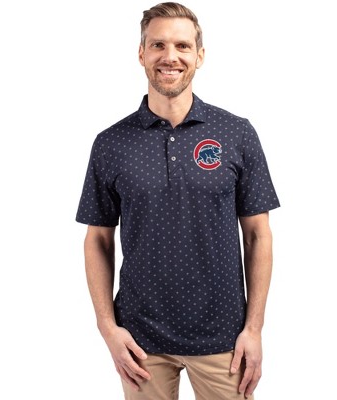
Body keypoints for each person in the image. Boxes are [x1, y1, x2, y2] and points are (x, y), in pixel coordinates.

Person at [76, 2, 280, 399]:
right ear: (141, 54)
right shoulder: (110, 143)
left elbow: (258, 236)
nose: (170, 56)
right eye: (158, 45)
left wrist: (254, 329)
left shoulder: (236, 133)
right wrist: (107, 327)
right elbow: (97, 239)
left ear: (199, 56)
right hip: (139, 342)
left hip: (224, 337)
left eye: (182, 46)